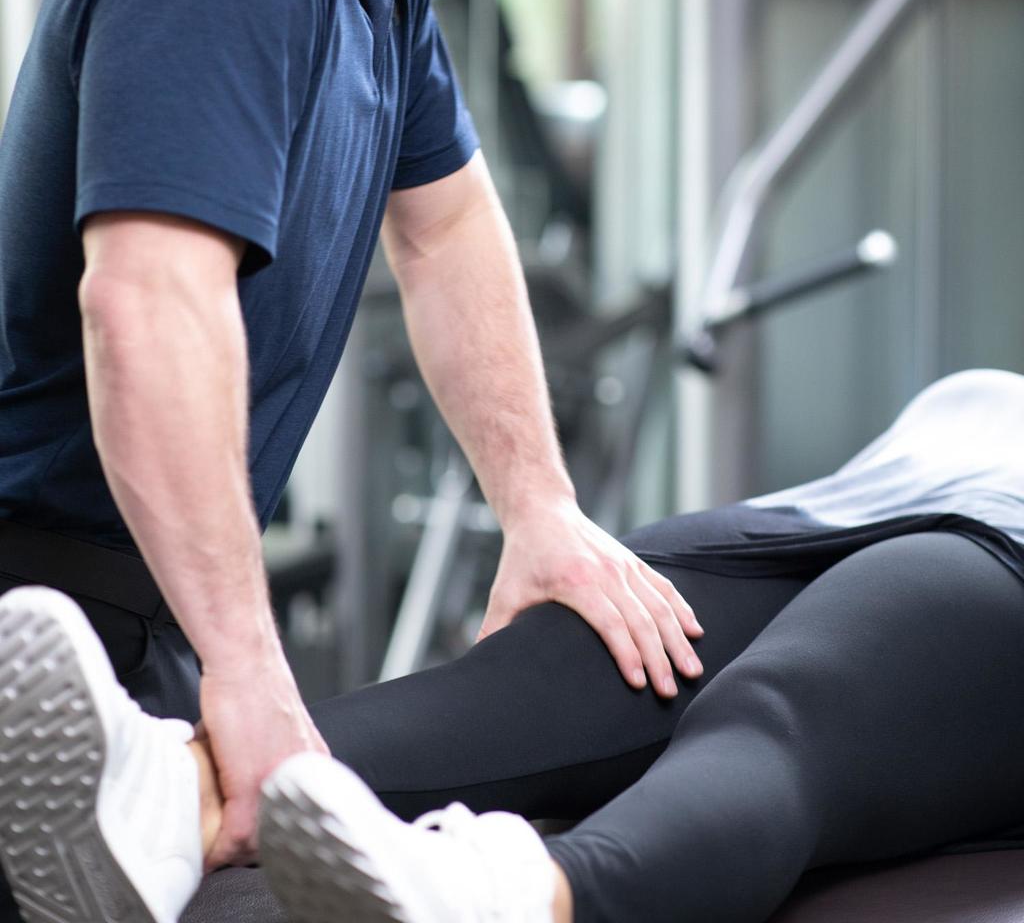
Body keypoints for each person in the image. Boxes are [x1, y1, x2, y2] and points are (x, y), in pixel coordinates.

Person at [0, 0, 707, 911]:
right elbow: (146, 302)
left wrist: (539, 508)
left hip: (143, 612)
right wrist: (248, 661)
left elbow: (446, 230)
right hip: (44, 622)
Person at [3, 369, 1024, 923]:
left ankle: (512, 893)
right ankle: (170, 794)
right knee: (534, 673)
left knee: (780, 711)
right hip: (863, 494)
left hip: (1002, 552)